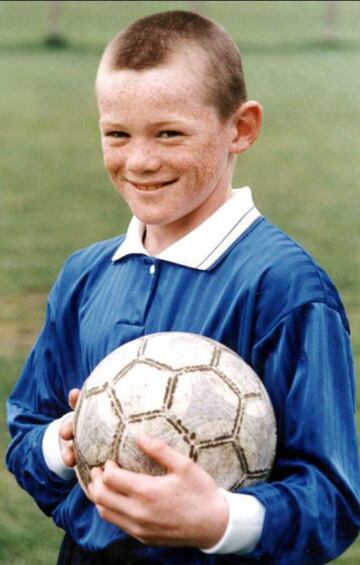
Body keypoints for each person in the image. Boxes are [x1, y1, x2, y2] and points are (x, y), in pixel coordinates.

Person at [6, 10, 360, 565]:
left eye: (170, 133)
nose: (141, 161)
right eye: (117, 134)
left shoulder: (285, 289)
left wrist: (217, 520)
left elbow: (333, 503)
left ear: (240, 128)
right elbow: (27, 426)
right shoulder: (84, 275)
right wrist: (64, 443)